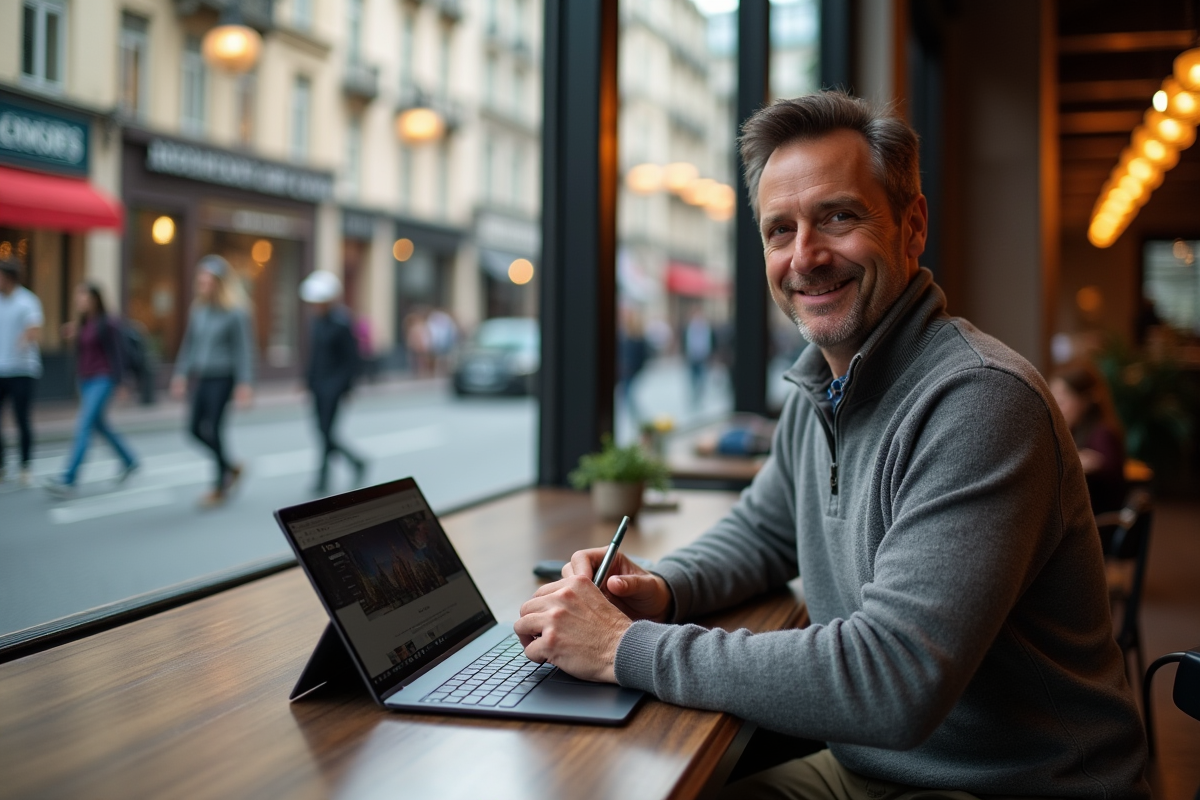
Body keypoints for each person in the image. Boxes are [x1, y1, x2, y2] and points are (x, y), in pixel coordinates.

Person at [515, 92, 1149, 799]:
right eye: (779, 231)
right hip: (878, 765)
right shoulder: (823, 385)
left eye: (838, 218)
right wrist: (658, 590)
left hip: (1017, 784)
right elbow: (763, 532)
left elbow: (892, 678)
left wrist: (621, 647)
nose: (805, 257)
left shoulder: (981, 400)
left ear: (913, 226)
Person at [170, 255, 255, 508]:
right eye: (201, 279)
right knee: (194, 429)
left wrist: (244, 384)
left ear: (220, 282)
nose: (203, 283)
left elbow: (244, 350)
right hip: (201, 376)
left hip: (223, 377)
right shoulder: (199, 309)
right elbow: (190, 345)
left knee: (215, 429)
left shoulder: (236, 312)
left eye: (208, 279)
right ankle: (231, 466)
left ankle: (219, 487)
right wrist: (180, 374)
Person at [42, 283, 138, 498]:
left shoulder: (109, 323)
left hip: (103, 379)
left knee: (84, 424)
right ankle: (130, 460)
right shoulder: (84, 323)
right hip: (85, 379)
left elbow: (119, 353)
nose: (79, 300)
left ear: (94, 298)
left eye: (83, 296)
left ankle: (68, 478)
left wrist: (122, 382)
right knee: (100, 425)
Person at [299, 270, 367, 495]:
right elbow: (315, 355)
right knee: (322, 431)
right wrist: (307, 380)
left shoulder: (342, 323)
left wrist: (343, 387)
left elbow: (351, 360)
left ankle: (324, 477)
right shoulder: (317, 322)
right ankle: (354, 462)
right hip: (319, 385)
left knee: (326, 431)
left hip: (333, 387)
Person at [1050, 359, 1128, 514]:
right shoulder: (1075, 430)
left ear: (1084, 401)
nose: (1056, 408)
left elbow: (1110, 479)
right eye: (1053, 400)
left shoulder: (1102, 434)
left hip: (1096, 526)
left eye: (1062, 400)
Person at [0, 257, 42, 486]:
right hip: (1, 368)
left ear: (10, 278)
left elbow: (34, 329)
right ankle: (1, 465)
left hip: (23, 369)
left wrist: (25, 340)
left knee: (21, 419)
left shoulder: (27, 301)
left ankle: (26, 465)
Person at [683, 308, 713, 407]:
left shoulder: (706, 328)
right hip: (692, 357)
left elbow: (709, 342)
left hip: (702, 356)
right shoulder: (689, 328)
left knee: (702, 378)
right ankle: (694, 396)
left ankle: (700, 396)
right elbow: (685, 342)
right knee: (693, 378)